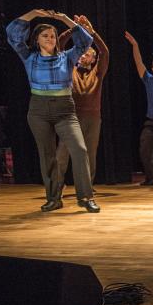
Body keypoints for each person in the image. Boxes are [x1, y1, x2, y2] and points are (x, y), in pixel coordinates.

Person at [6, 9, 100, 212]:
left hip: (65, 109)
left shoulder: (66, 57)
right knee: (47, 155)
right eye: (45, 35)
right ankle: (53, 198)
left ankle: (85, 197)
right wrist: (31, 15)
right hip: (39, 109)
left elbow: (85, 42)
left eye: (53, 36)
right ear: (37, 39)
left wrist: (64, 19)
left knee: (80, 150)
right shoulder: (29, 57)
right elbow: (13, 34)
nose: (50, 39)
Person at [54, 16, 109, 186]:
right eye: (82, 52)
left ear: (93, 59)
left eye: (88, 53)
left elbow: (104, 52)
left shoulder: (98, 73)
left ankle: (86, 187)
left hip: (92, 118)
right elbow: (58, 47)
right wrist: (73, 29)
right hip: (71, 116)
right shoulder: (69, 69)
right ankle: (56, 185)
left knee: (89, 153)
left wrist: (92, 33)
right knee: (62, 152)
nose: (84, 55)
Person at [125, 30, 153, 186]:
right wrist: (135, 45)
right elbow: (138, 62)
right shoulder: (149, 80)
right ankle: (151, 178)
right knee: (144, 150)